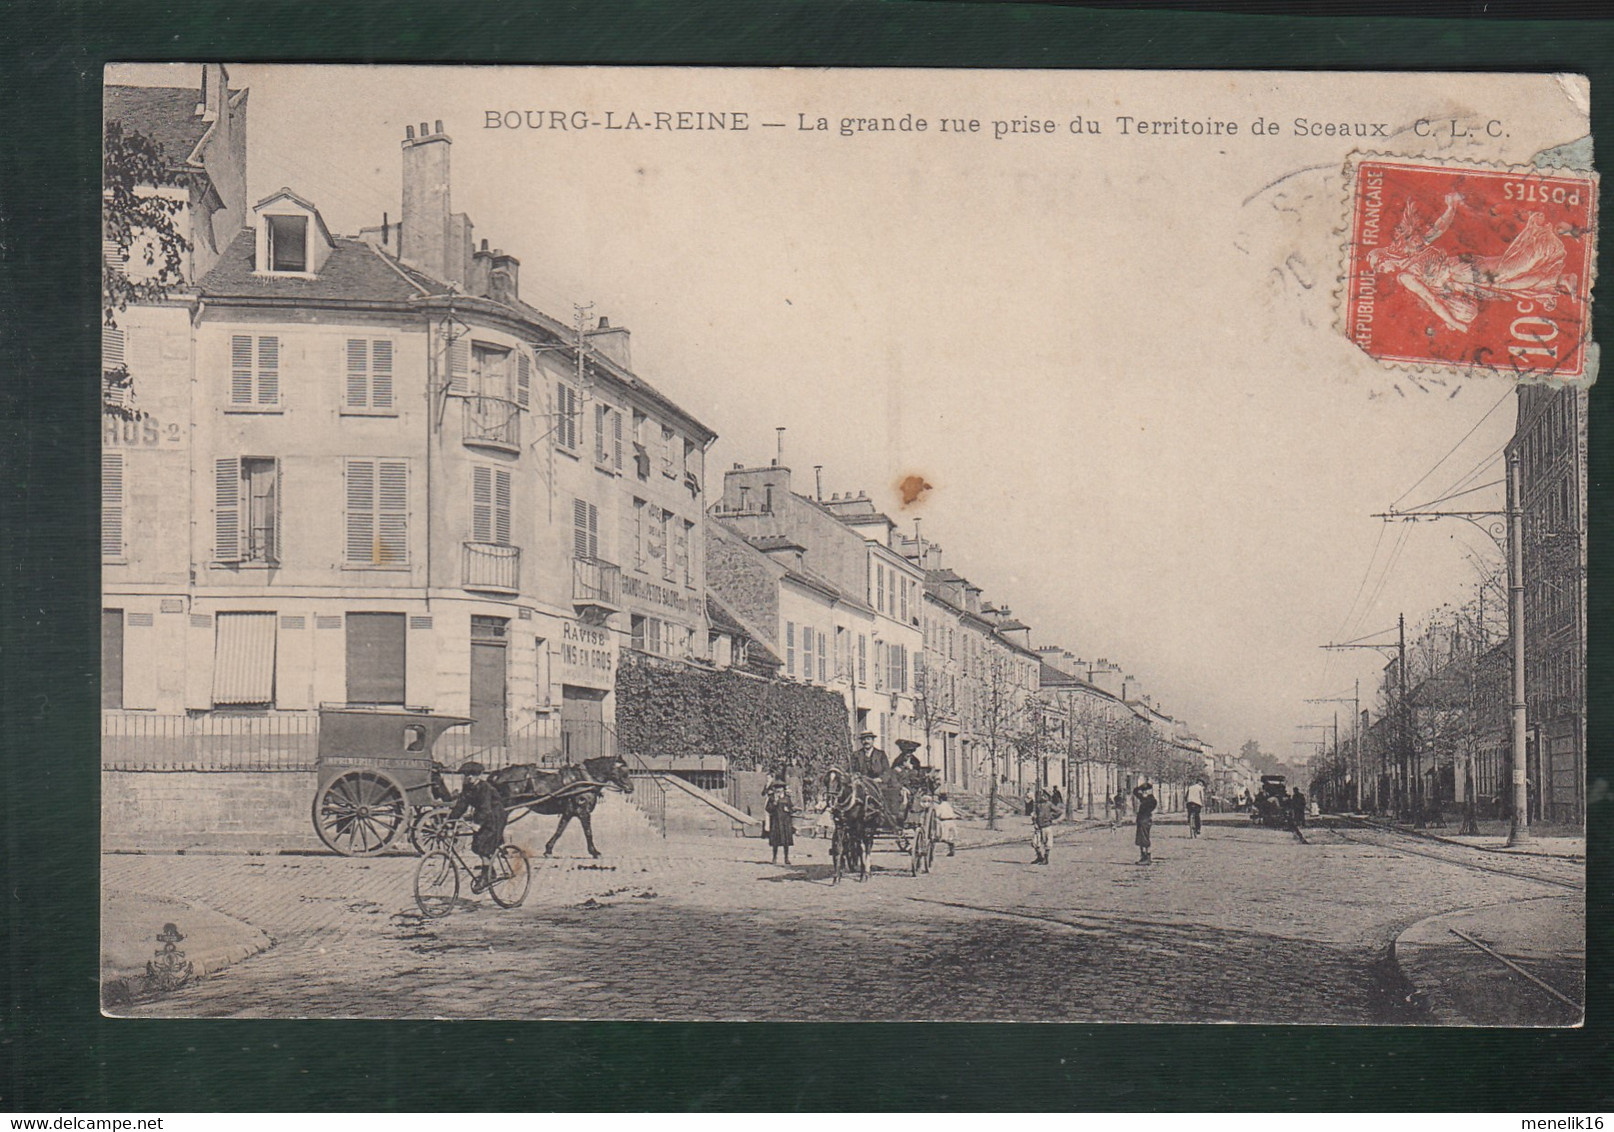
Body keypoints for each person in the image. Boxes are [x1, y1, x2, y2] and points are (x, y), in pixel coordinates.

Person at [447, 761, 507, 892]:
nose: (469, 777)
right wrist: (450, 822)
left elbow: (486, 808)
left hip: (495, 816)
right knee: (476, 847)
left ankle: (486, 876)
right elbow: (461, 805)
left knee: (483, 847)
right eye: (467, 774)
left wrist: (477, 824)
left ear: (479, 775)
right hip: (483, 816)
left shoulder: (485, 787)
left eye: (473, 775)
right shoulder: (467, 788)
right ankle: (490, 870)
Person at [763, 777, 795, 865]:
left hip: (785, 822)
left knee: (786, 841)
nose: (779, 790)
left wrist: (788, 810)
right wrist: (774, 803)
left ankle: (786, 858)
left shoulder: (787, 798)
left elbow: (792, 809)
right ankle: (774, 857)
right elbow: (768, 809)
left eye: (780, 788)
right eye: (777, 788)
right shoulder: (772, 798)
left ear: (783, 789)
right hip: (776, 821)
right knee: (775, 841)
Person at [1029, 785, 1056, 865]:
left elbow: (1058, 811)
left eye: (1045, 795)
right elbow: (1034, 814)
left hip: (1047, 826)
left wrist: (1051, 817)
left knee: (1047, 842)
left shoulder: (1049, 804)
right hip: (1038, 826)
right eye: (1042, 795)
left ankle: (1046, 858)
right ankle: (1039, 857)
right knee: (1035, 842)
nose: (1043, 797)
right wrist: (1034, 822)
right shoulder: (1038, 805)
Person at [1132, 781, 1157, 865]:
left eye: (1146, 791)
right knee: (1140, 839)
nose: (1144, 792)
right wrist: (1140, 788)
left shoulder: (1152, 800)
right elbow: (1135, 791)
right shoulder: (1144, 798)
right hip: (1141, 820)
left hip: (1145, 820)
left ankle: (1147, 857)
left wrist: (1144, 796)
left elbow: (1147, 807)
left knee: (1144, 839)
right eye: (1143, 791)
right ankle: (1143, 856)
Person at [933, 792, 960, 856]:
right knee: (950, 837)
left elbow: (937, 814)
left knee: (943, 838)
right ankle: (951, 850)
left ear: (941, 799)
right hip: (951, 822)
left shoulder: (940, 806)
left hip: (945, 822)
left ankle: (951, 847)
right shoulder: (948, 805)